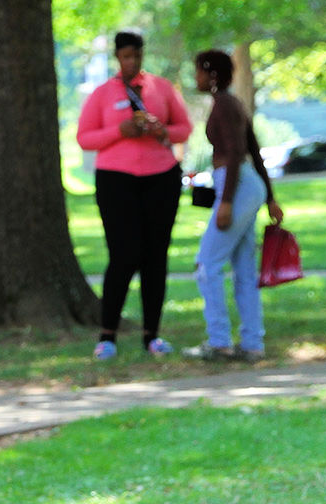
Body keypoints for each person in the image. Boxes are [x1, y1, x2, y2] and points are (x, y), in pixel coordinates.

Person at [76, 30, 192, 360]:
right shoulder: (102, 94)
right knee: (124, 254)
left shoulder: (161, 88)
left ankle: (151, 335)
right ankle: (107, 335)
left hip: (160, 178)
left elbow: (184, 128)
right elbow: (85, 138)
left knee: (155, 256)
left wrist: (161, 131)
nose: (132, 61)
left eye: (136, 55)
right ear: (117, 57)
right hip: (117, 180)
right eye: (126, 56)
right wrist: (119, 131)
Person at [187, 49, 286, 362]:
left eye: (198, 72)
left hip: (238, 188)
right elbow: (254, 151)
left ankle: (219, 341)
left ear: (211, 73)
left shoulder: (226, 104)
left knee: (206, 264)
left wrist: (227, 201)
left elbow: (235, 154)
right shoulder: (232, 103)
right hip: (244, 186)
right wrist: (269, 196)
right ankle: (252, 343)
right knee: (243, 268)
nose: (196, 78)